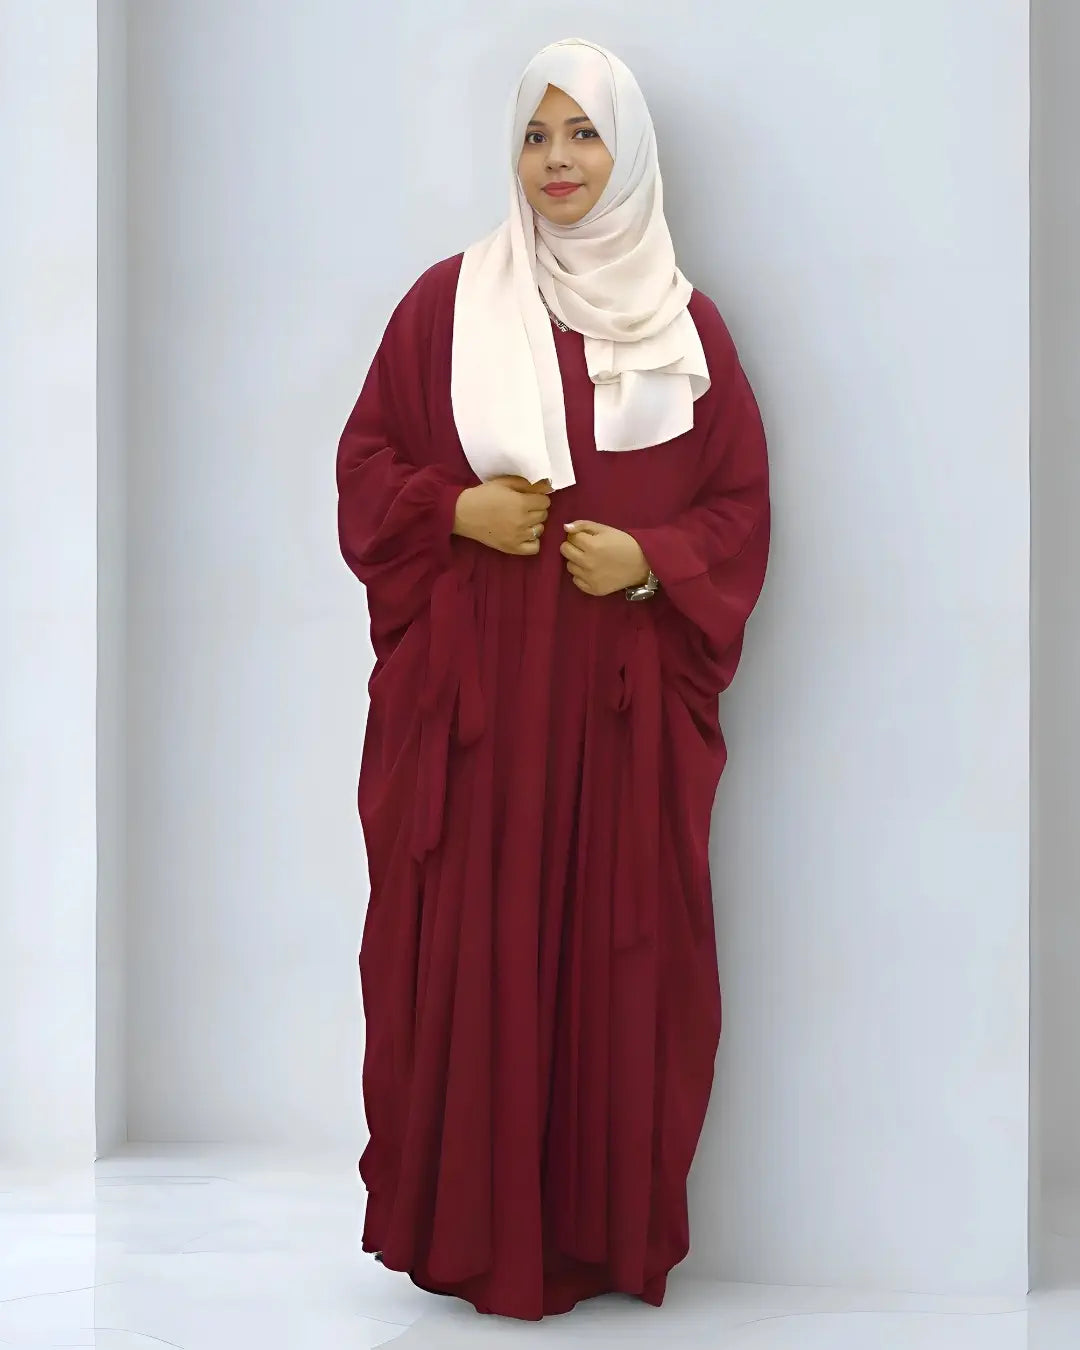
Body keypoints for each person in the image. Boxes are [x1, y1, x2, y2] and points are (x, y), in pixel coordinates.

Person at [335, 36, 770, 1322]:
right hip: (476, 731)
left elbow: (741, 509)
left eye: (583, 134)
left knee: (623, 970)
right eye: (538, 134)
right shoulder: (447, 305)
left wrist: (655, 559)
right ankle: (466, 1232)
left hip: (612, 732)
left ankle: (594, 1236)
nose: (559, 161)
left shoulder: (686, 333)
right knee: (460, 961)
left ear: (626, 148)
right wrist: (454, 512)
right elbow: (365, 466)